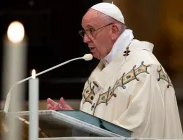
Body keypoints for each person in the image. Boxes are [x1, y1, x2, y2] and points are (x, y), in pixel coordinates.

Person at [46, 2, 183, 139]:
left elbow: (137, 130)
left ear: (114, 30)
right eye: (84, 32)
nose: (85, 39)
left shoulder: (144, 68)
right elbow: (98, 125)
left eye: (91, 30)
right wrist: (76, 119)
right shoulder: (98, 72)